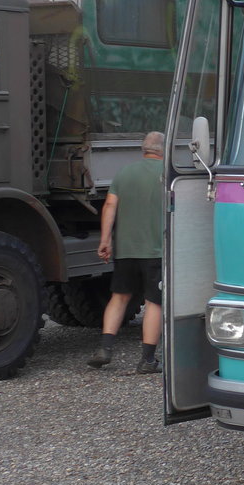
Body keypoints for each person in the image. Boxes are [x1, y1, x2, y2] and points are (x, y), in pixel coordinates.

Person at [88, 131, 164, 373]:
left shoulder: (124, 173)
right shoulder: (167, 175)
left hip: (126, 250)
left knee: (119, 297)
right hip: (155, 250)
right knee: (154, 302)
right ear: (163, 150)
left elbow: (110, 204)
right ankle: (147, 360)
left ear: (144, 149)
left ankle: (105, 348)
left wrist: (105, 239)